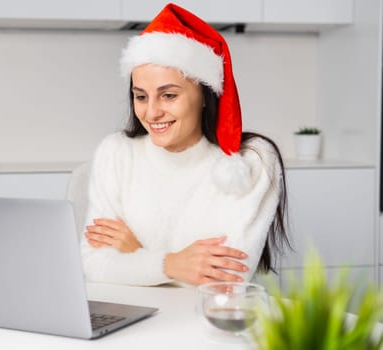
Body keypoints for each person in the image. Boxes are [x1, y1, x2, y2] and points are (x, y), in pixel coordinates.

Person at [80, 3, 289, 286]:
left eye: (168, 95)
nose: (152, 113)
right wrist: (174, 264)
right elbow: (94, 266)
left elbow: (224, 281)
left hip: (207, 323)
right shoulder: (116, 152)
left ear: (205, 95)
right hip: (132, 322)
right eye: (141, 97)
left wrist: (136, 253)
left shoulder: (249, 161)